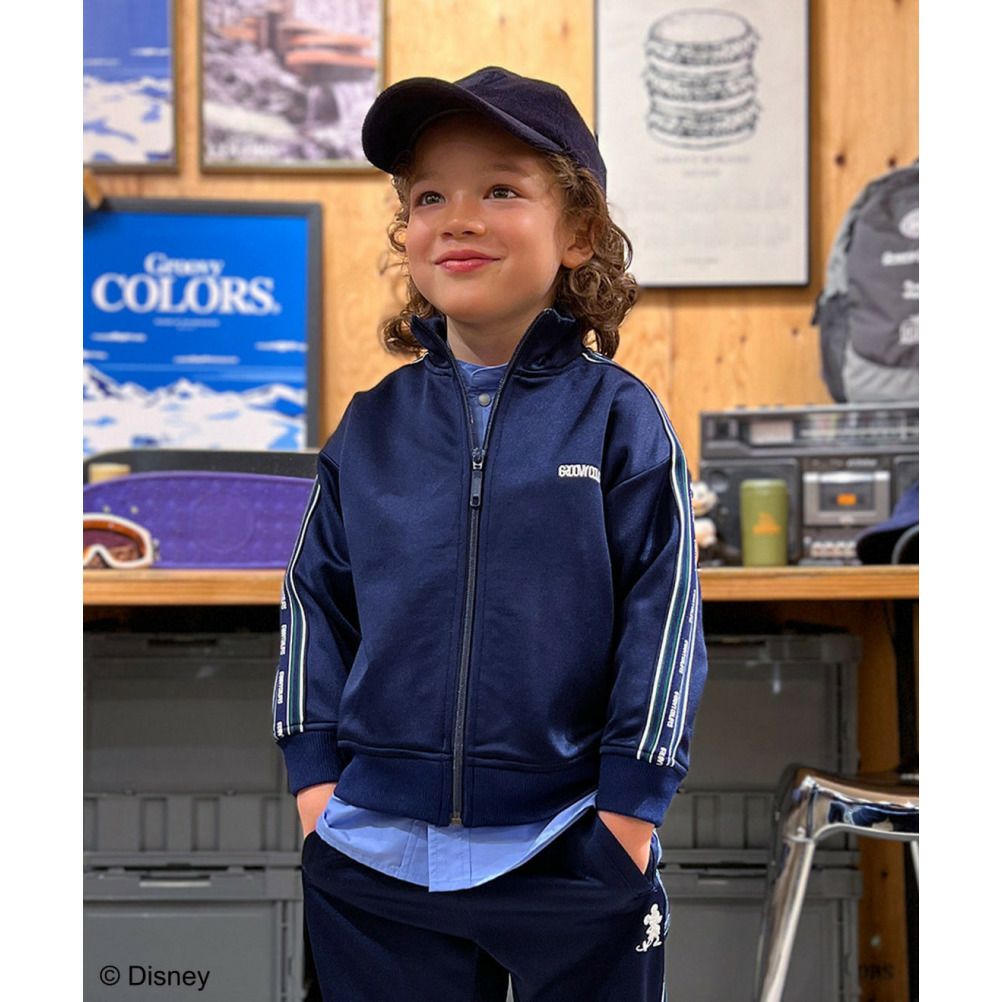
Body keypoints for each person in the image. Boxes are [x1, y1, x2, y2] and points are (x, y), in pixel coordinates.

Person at [272, 65, 707, 1002]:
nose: (458, 219)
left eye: (501, 190)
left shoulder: (621, 421)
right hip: (375, 853)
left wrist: (629, 811)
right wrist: (315, 785)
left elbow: (664, 620)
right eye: (429, 197)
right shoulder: (370, 427)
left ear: (578, 232)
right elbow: (313, 604)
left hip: (571, 843)